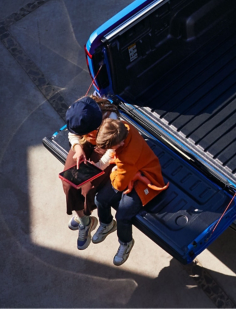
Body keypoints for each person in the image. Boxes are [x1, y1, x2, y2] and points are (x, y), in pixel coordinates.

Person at [92, 118, 168, 266]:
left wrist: (114, 171)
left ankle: (126, 242)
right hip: (130, 170)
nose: (119, 145)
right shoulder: (123, 125)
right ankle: (107, 224)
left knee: (123, 216)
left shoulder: (126, 158)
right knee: (100, 199)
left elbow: (119, 185)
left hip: (146, 178)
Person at [61, 95, 119, 251]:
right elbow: (73, 134)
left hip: (105, 148)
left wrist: (99, 165)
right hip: (85, 143)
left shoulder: (111, 120)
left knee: (88, 188)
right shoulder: (76, 111)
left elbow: (113, 150)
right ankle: (86, 222)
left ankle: (83, 215)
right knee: (69, 182)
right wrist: (78, 148)